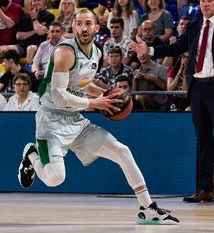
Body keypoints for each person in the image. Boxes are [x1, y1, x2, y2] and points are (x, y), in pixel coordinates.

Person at [17, 9, 179, 225]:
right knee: (55, 178)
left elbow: (83, 84)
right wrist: (95, 103)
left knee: (122, 151)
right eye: (79, 24)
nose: (84, 28)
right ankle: (32, 156)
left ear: (96, 27)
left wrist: (105, 94)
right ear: (73, 28)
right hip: (52, 121)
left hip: (76, 120)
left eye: (88, 23)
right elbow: (59, 94)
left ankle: (147, 208)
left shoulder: (96, 53)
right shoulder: (65, 52)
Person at [130, 0, 214, 204]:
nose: (206, 4)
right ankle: (204, 188)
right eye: (203, 1)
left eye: (210, 0)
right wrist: (150, 51)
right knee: (202, 139)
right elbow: (178, 48)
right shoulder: (195, 25)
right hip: (197, 87)